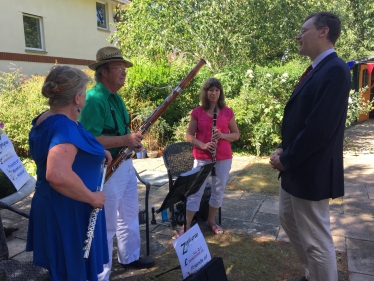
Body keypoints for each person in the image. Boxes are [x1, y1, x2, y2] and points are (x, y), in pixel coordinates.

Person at [269, 12, 350, 281]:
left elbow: (319, 129)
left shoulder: (335, 70)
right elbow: (301, 119)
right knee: (288, 219)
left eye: (304, 30)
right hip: (296, 166)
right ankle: (313, 274)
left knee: (316, 238)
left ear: (323, 32)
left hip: (310, 169)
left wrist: (287, 158)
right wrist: (283, 148)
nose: (298, 36)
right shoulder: (317, 69)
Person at [26, 65, 112, 281]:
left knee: (64, 270)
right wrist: (93, 197)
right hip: (67, 208)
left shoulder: (47, 118)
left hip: (58, 204)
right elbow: (57, 174)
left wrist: (98, 151)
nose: (85, 96)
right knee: (72, 272)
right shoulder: (64, 126)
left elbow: (70, 149)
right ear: (76, 98)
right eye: (83, 91)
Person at [78, 46, 155, 281]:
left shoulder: (117, 98)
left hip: (125, 164)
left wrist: (133, 143)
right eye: (118, 68)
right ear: (103, 72)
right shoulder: (93, 99)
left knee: (130, 215)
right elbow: (89, 139)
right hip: (105, 170)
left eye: (124, 68)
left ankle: (129, 257)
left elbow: (122, 132)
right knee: (107, 224)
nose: (124, 72)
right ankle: (102, 274)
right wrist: (124, 139)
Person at [173, 78, 240, 239]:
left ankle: (211, 221)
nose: (214, 93)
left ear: (220, 92)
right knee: (195, 192)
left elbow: (236, 135)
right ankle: (186, 226)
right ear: (205, 92)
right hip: (202, 157)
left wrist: (222, 135)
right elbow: (189, 136)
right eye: (211, 90)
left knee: (218, 191)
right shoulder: (197, 112)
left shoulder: (227, 111)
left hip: (223, 157)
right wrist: (202, 145)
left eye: (217, 90)